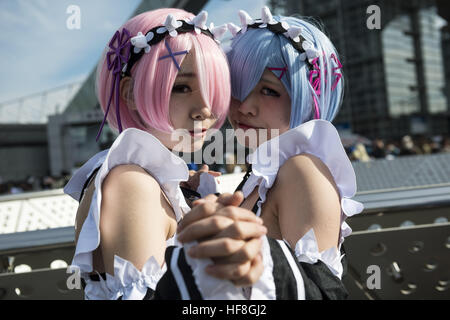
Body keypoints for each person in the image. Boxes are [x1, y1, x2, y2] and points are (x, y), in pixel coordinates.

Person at [64, 8, 266, 300]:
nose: (205, 108)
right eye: (182, 87)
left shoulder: (143, 180)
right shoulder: (132, 185)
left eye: (211, 88)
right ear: (130, 93)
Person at [175, 7, 365, 299]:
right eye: (239, 86)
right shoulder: (270, 173)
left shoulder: (302, 171)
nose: (245, 105)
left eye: (269, 91)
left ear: (307, 97)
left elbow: (324, 293)